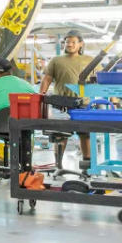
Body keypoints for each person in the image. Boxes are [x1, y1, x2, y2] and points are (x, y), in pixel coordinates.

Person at [39, 29, 94, 167]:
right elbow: (47, 79)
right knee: (60, 135)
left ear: (81, 44)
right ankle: (58, 165)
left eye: (73, 42)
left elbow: (99, 79)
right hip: (61, 104)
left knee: (85, 134)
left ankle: (87, 163)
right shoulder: (56, 60)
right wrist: (40, 97)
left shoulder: (89, 60)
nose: (69, 44)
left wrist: (111, 98)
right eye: (67, 42)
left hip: (83, 104)